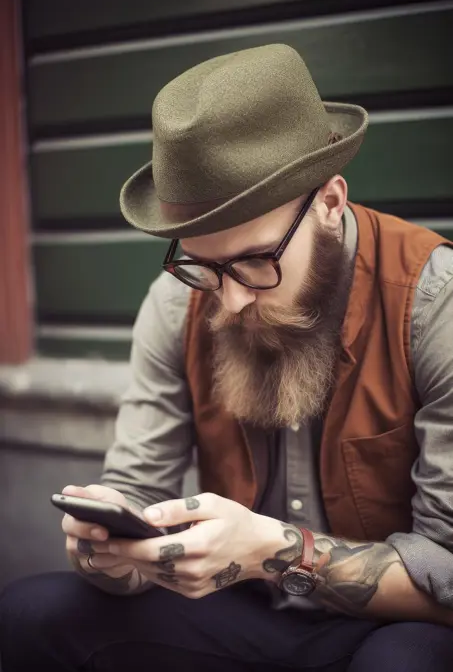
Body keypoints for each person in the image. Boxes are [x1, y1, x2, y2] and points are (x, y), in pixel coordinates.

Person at [1, 43, 453, 672]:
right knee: (29, 613)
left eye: (256, 261)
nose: (232, 300)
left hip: (392, 625)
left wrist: (279, 551)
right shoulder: (174, 304)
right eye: (204, 267)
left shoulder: (434, 300)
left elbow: (449, 576)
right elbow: (135, 489)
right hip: (242, 613)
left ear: (329, 201)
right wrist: (108, 550)